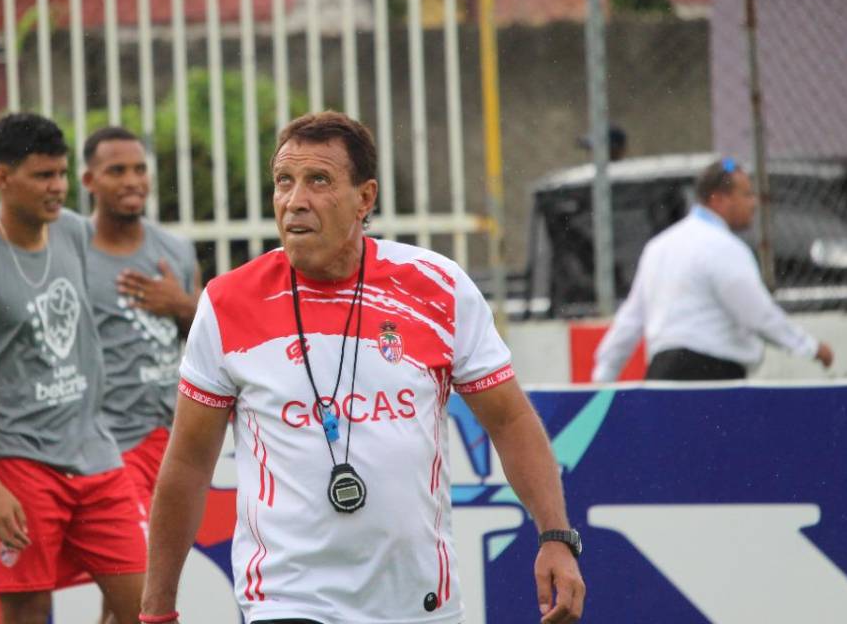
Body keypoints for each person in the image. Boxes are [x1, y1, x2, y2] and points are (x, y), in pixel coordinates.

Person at [141, 112, 585, 624]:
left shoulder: (437, 287)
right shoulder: (228, 303)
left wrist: (555, 536)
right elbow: (190, 463)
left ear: (365, 198)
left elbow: (509, 420)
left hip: (420, 602)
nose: (295, 200)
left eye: (319, 180)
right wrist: (156, 611)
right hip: (288, 599)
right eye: (284, 181)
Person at [0, 113, 145, 624]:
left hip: (96, 456)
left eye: (62, 174)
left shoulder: (72, 232)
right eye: (44, 176)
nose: (59, 188)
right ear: (3, 178)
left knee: (147, 608)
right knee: (28, 613)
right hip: (17, 463)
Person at [63, 126, 201, 615]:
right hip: (111, 444)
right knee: (139, 591)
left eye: (139, 169)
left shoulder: (175, 250)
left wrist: (181, 305)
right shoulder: (71, 255)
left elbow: (207, 340)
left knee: (131, 596)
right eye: (116, 170)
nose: (132, 180)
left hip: (173, 441)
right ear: (89, 181)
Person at [592, 158, 834, 382]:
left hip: (660, 375)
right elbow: (757, 314)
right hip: (710, 373)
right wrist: (809, 347)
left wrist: (604, 374)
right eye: (746, 195)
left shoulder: (659, 247)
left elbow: (631, 319)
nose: (754, 203)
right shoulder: (724, 248)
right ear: (718, 199)